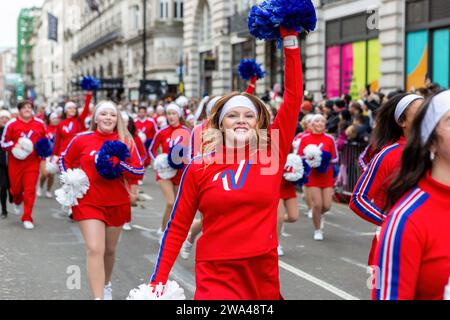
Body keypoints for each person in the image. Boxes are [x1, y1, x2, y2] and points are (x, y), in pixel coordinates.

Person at [142, 27, 303, 299]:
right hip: (215, 271)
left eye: (248, 115)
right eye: (233, 115)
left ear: (258, 123)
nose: (241, 120)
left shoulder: (271, 153)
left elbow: (293, 98)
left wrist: (289, 40)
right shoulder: (199, 167)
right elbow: (178, 227)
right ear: (219, 123)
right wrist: (157, 281)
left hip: (261, 271)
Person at [59, 101, 144, 299]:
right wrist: (71, 179)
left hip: (117, 202)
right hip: (88, 202)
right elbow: (64, 160)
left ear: (117, 119)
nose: (108, 118)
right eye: (103, 114)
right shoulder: (82, 139)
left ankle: (106, 284)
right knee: (95, 248)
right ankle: (98, 297)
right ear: (95, 118)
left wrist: (120, 165)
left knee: (109, 250)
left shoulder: (125, 140)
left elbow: (138, 170)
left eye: (112, 115)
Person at [374, 90, 450, 300]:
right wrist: (384, 221)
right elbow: (358, 198)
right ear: (431, 142)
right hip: (382, 244)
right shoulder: (406, 219)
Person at [349, 93, 424, 265]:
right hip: (389, 246)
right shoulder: (388, 155)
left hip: (429, 246)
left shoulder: (438, 153)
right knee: (380, 291)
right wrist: (393, 223)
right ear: (402, 122)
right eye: (420, 112)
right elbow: (358, 198)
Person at [0, 101, 46, 229]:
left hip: (32, 163)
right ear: (19, 110)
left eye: (29, 107)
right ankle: (16, 200)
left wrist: (44, 152)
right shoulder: (11, 124)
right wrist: (15, 145)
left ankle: (27, 217)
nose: (27, 109)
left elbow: (45, 141)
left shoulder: (39, 124)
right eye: (24, 107)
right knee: (16, 189)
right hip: (16, 163)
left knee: (30, 190)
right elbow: (3, 144)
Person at [149, 103, 191, 236]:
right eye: (169, 114)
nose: (171, 116)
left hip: (180, 172)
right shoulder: (161, 132)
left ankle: (173, 229)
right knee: (170, 201)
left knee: (177, 205)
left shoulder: (187, 131)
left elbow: (192, 151)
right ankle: (163, 230)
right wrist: (158, 160)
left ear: (179, 115)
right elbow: (151, 149)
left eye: (174, 113)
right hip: (164, 173)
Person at [298, 114, 338, 240]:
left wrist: (324, 159)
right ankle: (317, 229)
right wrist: (311, 159)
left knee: (326, 206)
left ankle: (319, 216)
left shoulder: (329, 139)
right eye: (317, 121)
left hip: (326, 176)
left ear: (325, 124)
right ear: (312, 124)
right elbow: (299, 156)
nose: (320, 123)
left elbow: (336, 157)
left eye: (322, 121)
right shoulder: (304, 138)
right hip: (313, 176)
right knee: (317, 204)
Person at [37, 112, 60, 198]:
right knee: (45, 173)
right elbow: (40, 140)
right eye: (53, 118)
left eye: (56, 118)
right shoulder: (45, 128)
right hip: (44, 155)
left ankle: (48, 190)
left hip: (54, 155)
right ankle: (40, 187)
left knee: (51, 175)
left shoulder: (60, 129)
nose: (55, 120)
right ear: (50, 119)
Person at [0, 110, 12, 218]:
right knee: (2, 187)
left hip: (13, 163)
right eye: (2, 118)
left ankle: (12, 196)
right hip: (1, 165)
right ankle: (4, 210)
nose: (4, 120)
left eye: (6, 118)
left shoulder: (12, 130)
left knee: (12, 187)